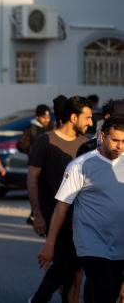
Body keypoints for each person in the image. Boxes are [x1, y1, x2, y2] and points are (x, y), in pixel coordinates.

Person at [38, 116, 124, 303]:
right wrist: (50, 244)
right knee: (105, 293)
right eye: (115, 140)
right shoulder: (80, 165)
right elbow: (62, 206)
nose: (120, 146)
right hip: (91, 243)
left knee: (105, 293)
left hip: (119, 244)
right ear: (102, 137)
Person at [28, 96, 93, 303]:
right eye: (87, 117)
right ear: (73, 117)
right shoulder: (45, 141)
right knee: (67, 267)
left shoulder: (87, 145)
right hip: (55, 217)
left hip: (80, 221)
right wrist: (37, 214)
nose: (90, 123)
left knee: (73, 272)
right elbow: (32, 179)